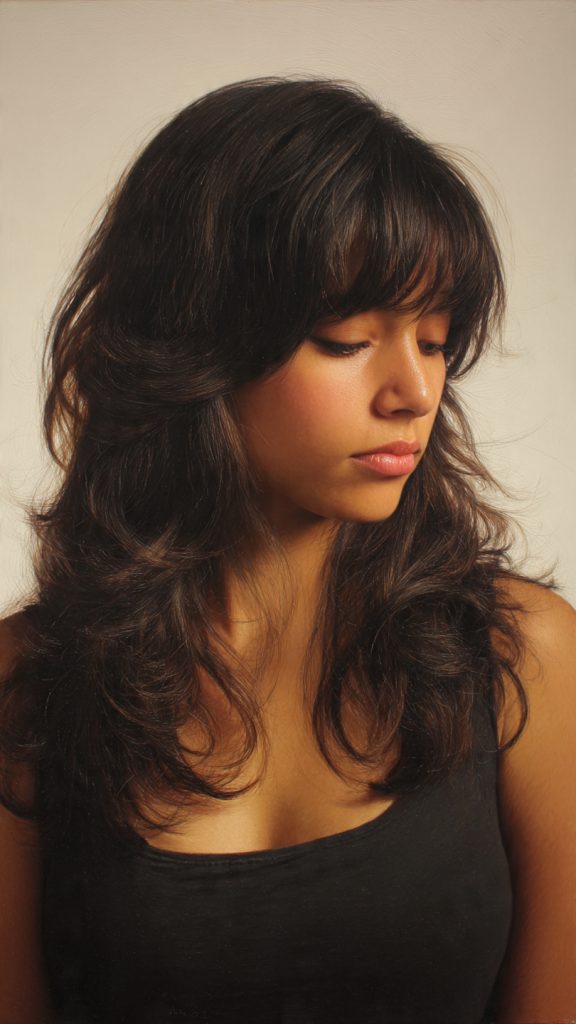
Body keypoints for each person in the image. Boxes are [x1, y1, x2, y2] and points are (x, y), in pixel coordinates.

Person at [0, 75, 575, 1024]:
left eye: (435, 340)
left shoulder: (524, 658)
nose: (412, 391)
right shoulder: (26, 690)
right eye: (345, 339)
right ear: (192, 341)